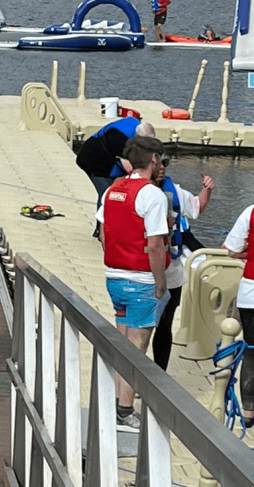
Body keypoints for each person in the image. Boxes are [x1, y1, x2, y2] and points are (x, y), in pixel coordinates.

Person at [96, 135, 170, 432]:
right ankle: (125, 412)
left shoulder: (113, 189)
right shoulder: (152, 195)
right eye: (161, 160)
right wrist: (161, 284)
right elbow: (155, 245)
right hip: (141, 281)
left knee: (121, 341)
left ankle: (116, 401)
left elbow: (103, 234)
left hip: (114, 278)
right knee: (136, 350)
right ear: (153, 160)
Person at [151, 159, 214, 371]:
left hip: (171, 271)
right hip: (141, 271)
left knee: (165, 325)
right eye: (156, 163)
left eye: (164, 163)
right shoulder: (134, 191)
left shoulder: (175, 191)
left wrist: (206, 190)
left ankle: (159, 374)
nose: (161, 167)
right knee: (138, 328)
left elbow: (196, 207)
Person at [76, 118, 155, 237]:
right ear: (137, 137)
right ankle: (100, 229)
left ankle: (116, 225)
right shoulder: (117, 140)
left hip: (108, 158)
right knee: (106, 192)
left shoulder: (134, 123)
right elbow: (129, 168)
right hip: (92, 160)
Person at [223, 205, 254, 428]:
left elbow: (231, 250)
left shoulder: (251, 212)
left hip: (250, 293)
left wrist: (248, 252)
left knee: (251, 352)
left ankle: (249, 410)